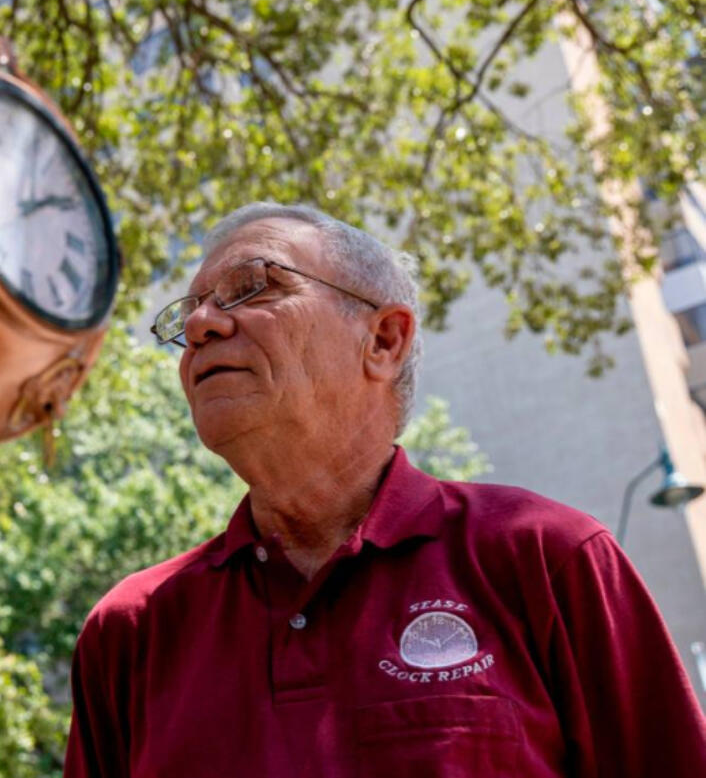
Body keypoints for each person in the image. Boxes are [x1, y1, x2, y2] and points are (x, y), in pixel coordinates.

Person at [62, 202, 706, 777]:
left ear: (383, 339)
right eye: (189, 313)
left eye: (253, 287)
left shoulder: (546, 557)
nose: (201, 324)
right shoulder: (131, 630)